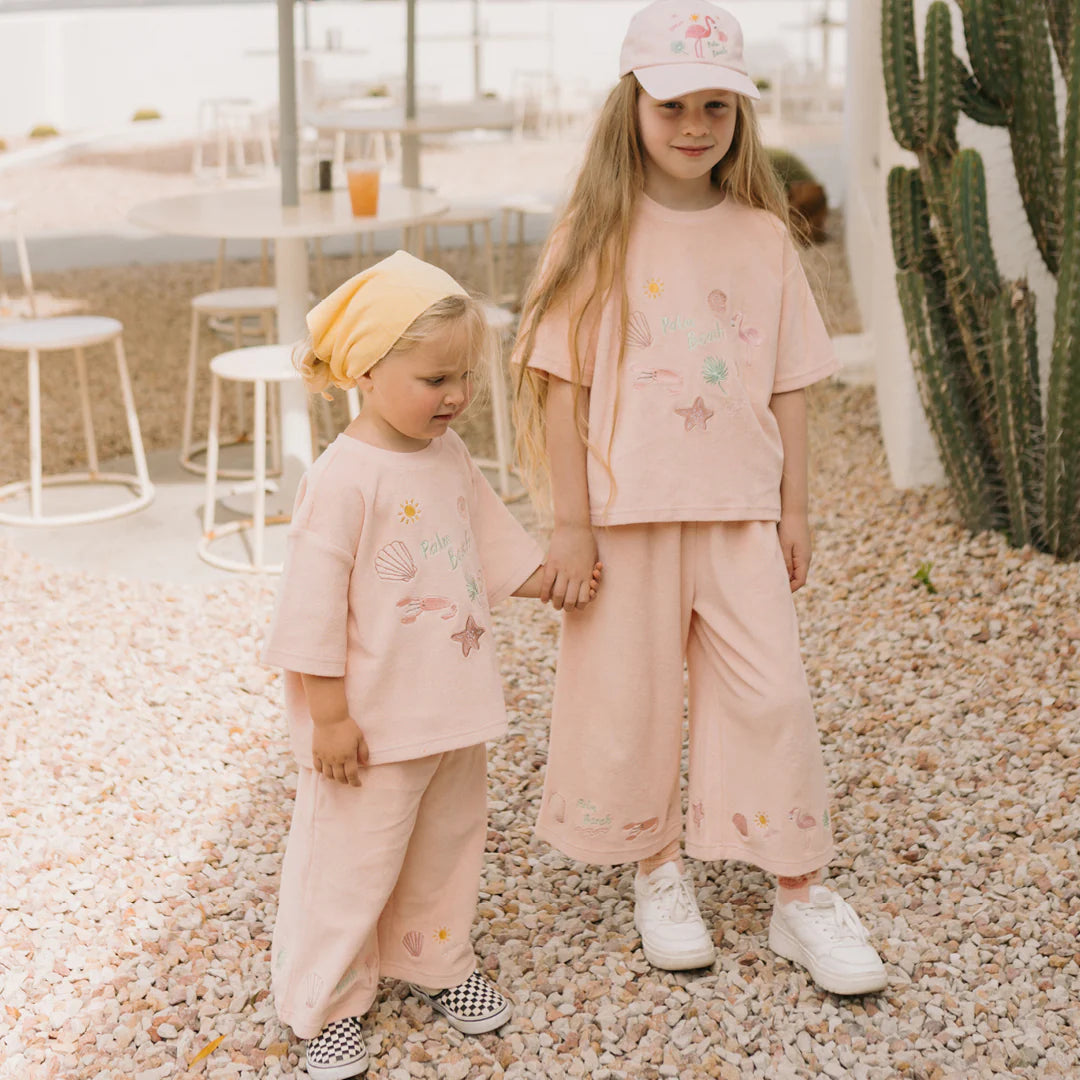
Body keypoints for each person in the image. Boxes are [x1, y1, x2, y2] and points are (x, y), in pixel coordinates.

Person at [511, 0, 887, 996]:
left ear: (739, 117)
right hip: (623, 521)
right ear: (632, 103)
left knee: (773, 693)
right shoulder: (593, 233)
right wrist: (571, 522)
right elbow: (562, 384)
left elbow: (791, 386)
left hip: (737, 514)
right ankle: (656, 866)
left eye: (716, 106)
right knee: (627, 699)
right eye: (674, 103)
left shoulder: (764, 237)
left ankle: (799, 891)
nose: (694, 126)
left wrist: (793, 509)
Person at [263, 251, 599, 1079]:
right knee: (350, 860)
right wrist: (330, 718)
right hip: (371, 727)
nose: (455, 397)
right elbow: (309, 613)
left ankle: (433, 957)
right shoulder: (341, 481)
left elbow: (487, 541)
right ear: (369, 371)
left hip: (450, 707)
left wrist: (552, 580)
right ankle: (328, 996)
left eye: (464, 379)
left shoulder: (445, 458)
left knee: (447, 844)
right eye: (435, 379)